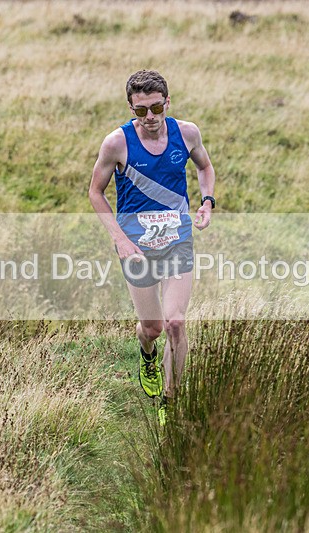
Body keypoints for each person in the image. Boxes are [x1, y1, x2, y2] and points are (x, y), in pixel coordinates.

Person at [88, 70, 216, 425]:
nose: (150, 117)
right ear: (131, 107)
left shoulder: (187, 133)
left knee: (176, 322)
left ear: (166, 102)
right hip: (137, 246)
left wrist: (207, 201)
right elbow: (95, 192)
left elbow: (205, 167)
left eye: (156, 107)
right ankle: (147, 355)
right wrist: (121, 240)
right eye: (140, 110)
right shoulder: (117, 143)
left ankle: (170, 403)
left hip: (177, 239)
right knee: (154, 328)